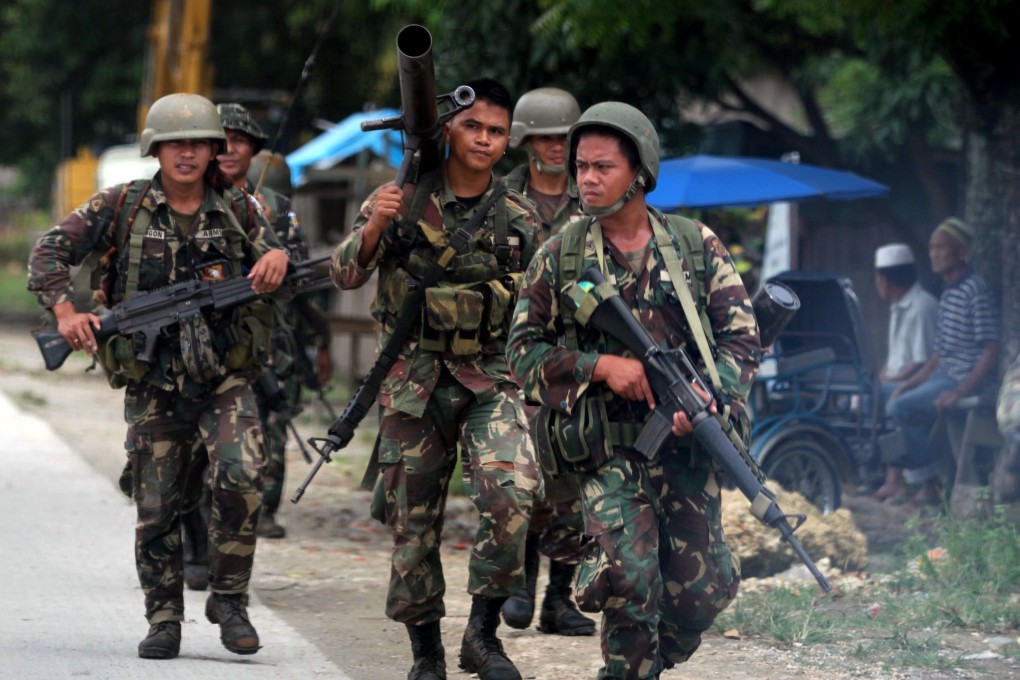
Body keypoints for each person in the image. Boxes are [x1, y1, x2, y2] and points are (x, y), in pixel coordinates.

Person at [27, 93, 290, 659]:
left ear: (215, 150)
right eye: (175, 143)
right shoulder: (121, 204)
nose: (187, 153)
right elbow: (49, 251)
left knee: (243, 476)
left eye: (198, 143)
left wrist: (276, 262)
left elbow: (274, 256)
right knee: (158, 507)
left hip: (225, 376)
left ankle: (230, 598)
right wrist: (66, 314)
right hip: (154, 381)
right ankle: (165, 616)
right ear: (156, 149)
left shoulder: (240, 207)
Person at [507, 102, 760, 679]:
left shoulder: (696, 246)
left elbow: (742, 340)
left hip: (690, 449)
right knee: (630, 575)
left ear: (640, 173)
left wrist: (707, 398)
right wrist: (601, 367)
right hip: (608, 454)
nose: (587, 179)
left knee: (701, 593)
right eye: (581, 167)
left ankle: (642, 667)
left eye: (603, 167)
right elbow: (522, 353)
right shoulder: (561, 256)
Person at [330, 78, 542, 680]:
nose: (483, 139)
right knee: (413, 521)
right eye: (473, 125)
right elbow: (345, 274)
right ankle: (425, 653)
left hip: (489, 381)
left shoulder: (520, 216)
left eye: (496, 131)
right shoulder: (401, 195)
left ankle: (482, 634)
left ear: (508, 142)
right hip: (412, 380)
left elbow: (539, 303)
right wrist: (375, 224)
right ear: (448, 126)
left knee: (513, 493)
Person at [500, 86, 594, 637]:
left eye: (565, 137)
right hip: (512, 357)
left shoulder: (593, 202)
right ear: (525, 141)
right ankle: (520, 581)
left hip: (574, 359)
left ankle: (560, 599)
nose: (557, 147)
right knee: (522, 478)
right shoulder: (499, 201)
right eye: (546, 137)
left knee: (576, 479)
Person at [217, 104, 333, 539]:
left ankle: (265, 508)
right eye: (221, 139)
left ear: (253, 149)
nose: (229, 149)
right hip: (215, 337)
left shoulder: (279, 208)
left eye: (240, 140)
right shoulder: (193, 200)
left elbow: (300, 272)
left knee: (274, 421)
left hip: (275, 336)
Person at [877, 218, 1000, 506]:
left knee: (899, 407)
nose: (933, 253)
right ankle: (905, 481)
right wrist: (907, 385)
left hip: (963, 380)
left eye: (941, 247)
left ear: (963, 251)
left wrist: (960, 391)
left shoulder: (975, 290)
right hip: (942, 376)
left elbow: (991, 350)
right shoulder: (947, 293)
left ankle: (929, 483)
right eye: (932, 247)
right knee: (889, 396)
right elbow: (937, 357)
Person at [868, 243, 939, 496]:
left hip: (922, 381)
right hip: (900, 378)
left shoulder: (922, 306)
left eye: (878, 278)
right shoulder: (898, 306)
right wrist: (884, 375)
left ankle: (917, 478)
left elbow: (924, 362)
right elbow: (895, 357)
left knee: (886, 403)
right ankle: (888, 475)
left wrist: (891, 379)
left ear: (886, 280)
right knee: (863, 400)